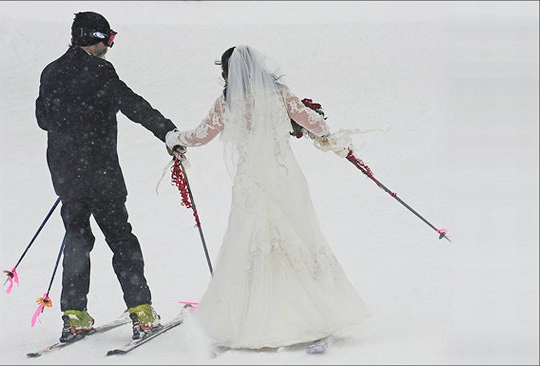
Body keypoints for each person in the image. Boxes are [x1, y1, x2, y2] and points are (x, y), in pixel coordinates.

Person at [165, 46, 369, 350]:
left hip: (252, 181)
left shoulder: (227, 102)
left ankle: (257, 315)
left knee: (253, 241)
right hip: (284, 176)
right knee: (298, 237)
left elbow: (200, 136)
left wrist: (174, 138)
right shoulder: (279, 94)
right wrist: (312, 121)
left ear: (227, 74)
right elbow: (317, 124)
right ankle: (312, 310)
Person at [35, 11, 184, 342]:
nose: (110, 47)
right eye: (109, 40)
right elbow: (133, 105)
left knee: (77, 238)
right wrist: (168, 133)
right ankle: (142, 313)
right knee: (121, 239)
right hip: (101, 174)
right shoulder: (101, 72)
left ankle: (74, 316)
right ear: (95, 38)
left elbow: (42, 119)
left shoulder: (51, 72)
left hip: (66, 175)